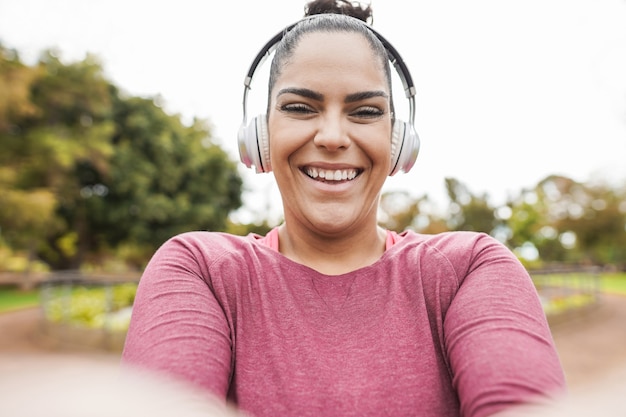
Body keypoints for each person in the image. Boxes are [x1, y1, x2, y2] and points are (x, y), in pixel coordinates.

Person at [121, 1, 567, 416]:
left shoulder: (470, 267)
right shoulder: (198, 269)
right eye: (300, 107)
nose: (332, 136)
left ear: (399, 142)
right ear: (259, 136)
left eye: (366, 112)